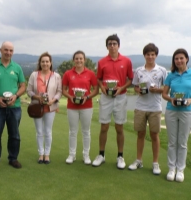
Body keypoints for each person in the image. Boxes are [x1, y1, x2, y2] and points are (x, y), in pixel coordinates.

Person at [92, 34, 134, 169]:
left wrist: (121, 87)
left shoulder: (126, 61)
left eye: (114, 43)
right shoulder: (102, 62)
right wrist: (102, 87)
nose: (112, 46)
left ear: (118, 45)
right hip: (106, 97)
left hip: (120, 96)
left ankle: (120, 156)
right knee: (104, 127)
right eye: (109, 44)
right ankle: (101, 155)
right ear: (107, 46)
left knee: (119, 127)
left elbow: (130, 79)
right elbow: (98, 79)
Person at [0, 41, 26, 171]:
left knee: (15, 135)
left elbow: (23, 86)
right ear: (0, 50)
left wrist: (16, 96)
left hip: (14, 107)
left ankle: (13, 158)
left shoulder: (17, 67)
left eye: (11, 50)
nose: (8, 53)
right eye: (6, 50)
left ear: (13, 52)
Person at [162, 48, 191, 182]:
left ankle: (180, 170)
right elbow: (164, 94)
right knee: (172, 142)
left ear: (187, 59)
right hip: (171, 111)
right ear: (174, 61)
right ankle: (171, 168)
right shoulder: (170, 75)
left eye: (181, 58)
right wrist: (171, 99)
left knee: (183, 142)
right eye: (176, 58)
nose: (179, 60)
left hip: (187, 111)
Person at [128, 43, 167, 175]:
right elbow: (135, 86)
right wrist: (139, 90)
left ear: (156, 55)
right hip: (140, 107)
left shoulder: (162, 71)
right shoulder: (139, 71)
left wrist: (158, 90)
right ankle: (139, 160)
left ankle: (155, 163)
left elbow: (167, 89)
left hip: (155, 107)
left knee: (154, 135)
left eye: (152, 54)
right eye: (148, 54)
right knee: (140, 134)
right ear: (144, 55)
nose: (150, 57)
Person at [62, 51, 99, 165]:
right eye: (76, 59)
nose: (79, 61)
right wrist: (71, 97)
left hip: (86, 106)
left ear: (84, 60)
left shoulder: (91, 74)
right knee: (73, 131)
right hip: (72, 106)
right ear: (74, 60)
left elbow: (96, 90)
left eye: (81, 58)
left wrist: (87, 97)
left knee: (86, 131)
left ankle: (86, 155)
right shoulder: (68, 74)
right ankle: (72, 154)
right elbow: (64, 90)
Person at [27, 52, 62, 164]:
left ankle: (47, 154)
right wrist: (37, 96)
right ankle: (40, 154)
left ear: (50, 63)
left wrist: (53, 100)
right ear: (40, 63)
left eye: (47, 61)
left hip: (50, 107)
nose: (45, 63)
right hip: (37, 107)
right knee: (39, 131)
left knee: (48, 131)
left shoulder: (56, 76)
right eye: (43, 61)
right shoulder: (34, 75)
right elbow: (29, 91)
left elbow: (59, 91)